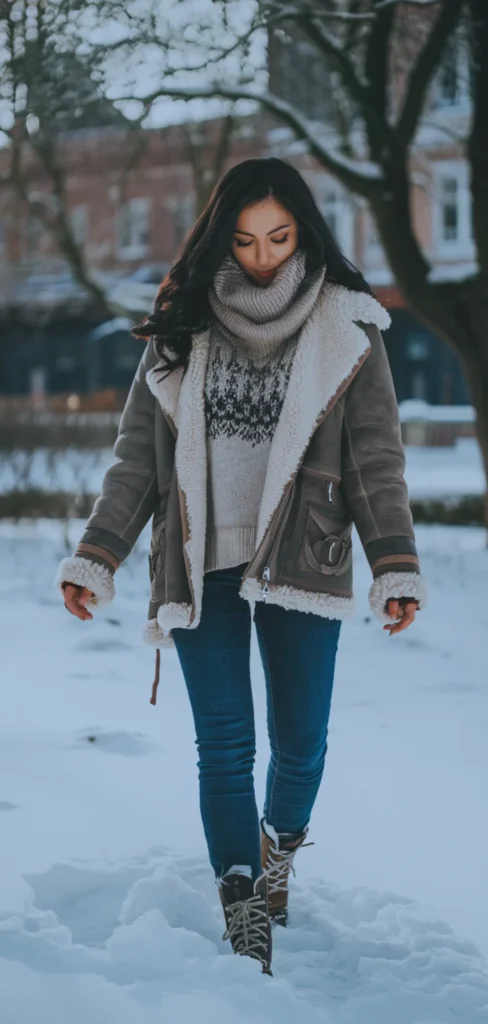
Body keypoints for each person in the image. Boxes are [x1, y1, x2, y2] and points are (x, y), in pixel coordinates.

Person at [56, 157, 426, 977]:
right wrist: (97, 554)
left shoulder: (346, 327)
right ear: (223, 235)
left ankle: (277, 848)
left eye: (281, 237)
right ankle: (244, 904)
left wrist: (393, 563)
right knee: (224, 745)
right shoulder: (182, 323)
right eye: (247, 238)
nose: (263, 255)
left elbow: (376, 460)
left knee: (301, 746)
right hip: (200, 562)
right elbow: (136, 464)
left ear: (305, 232)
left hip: (306, 556)